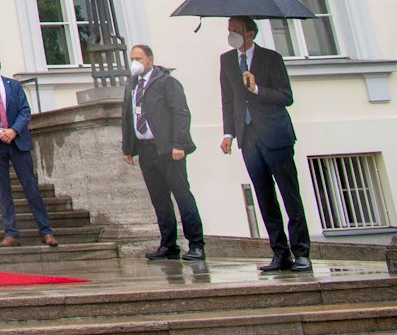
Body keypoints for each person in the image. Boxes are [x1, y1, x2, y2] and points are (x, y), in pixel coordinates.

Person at [220, 16, 310, 272]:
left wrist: (258, 89)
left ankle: (301, 252)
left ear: (250, 34)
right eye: (229, 30)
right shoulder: (227, 60)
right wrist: (229, 133)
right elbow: (228, 100)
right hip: (248, 137)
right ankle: (280, 253)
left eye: (235, 30)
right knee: (264, 196)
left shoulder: (271, 58)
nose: (231, 34)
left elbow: (286, 96)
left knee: (289, 194)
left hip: (275, 135)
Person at [121, 44, 205, 261]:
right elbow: (128, 116)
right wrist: (128, 147)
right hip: (146, 149)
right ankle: (168, 244)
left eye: (138, 58)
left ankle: (196, 244)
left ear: (150, 59)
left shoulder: (166, 82)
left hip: (168, 149)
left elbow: (181, 113)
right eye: (132, 58)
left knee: (182, 196)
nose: (135, 62)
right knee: (159, 200)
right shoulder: (132, 84)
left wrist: (179, 143)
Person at [0, 48, 56, 248]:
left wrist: (14, 130)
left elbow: (25, 111)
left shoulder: (14, 85)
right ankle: (11, 232)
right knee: (3, 190)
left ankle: (46, 230)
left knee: (31, 187)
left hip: (17, 141)